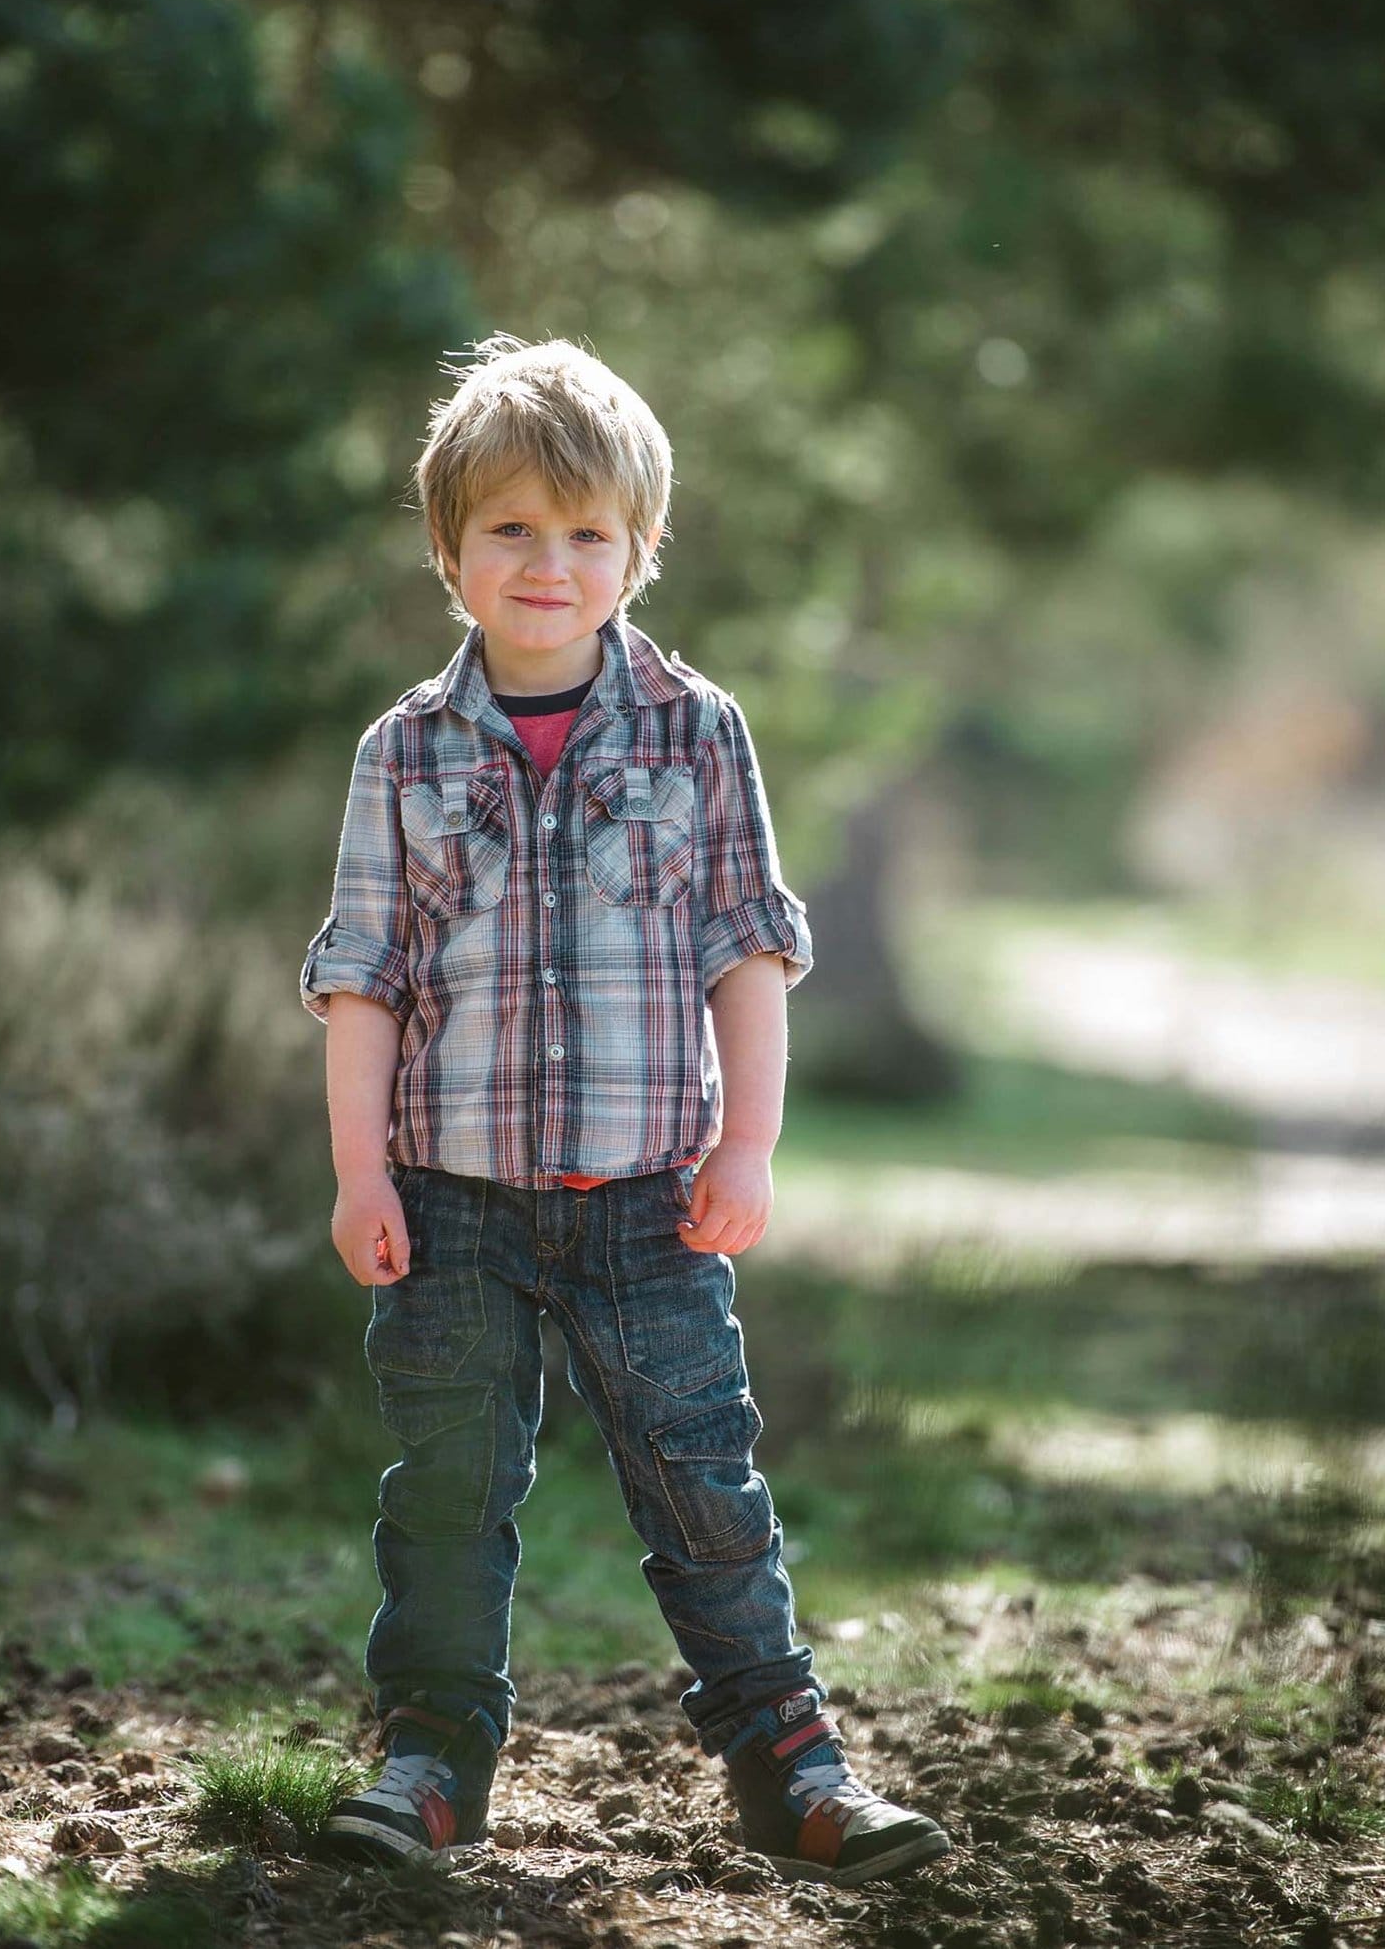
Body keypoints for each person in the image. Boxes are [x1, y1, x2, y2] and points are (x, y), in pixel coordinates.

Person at [298, 334, 950, 1888]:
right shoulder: (405, 752)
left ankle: (789, 1765)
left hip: (653, 1205)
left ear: (643, 552)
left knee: (703, 1483)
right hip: (447, 1199)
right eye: (510, 527)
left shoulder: (696, 732)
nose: (549, 562)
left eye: (589, 532)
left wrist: (749, 1146)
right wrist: (357, 1178)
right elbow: (365, 979)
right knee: (448, 1490)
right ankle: (432, 1756)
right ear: (447, 546)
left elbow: (750, 952)